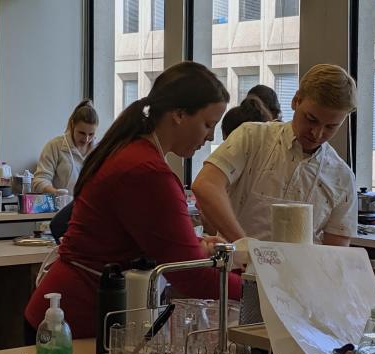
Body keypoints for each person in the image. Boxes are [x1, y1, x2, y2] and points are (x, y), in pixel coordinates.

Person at [25, 61, 241, 338]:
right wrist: (255, 293)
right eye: (207, 124)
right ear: (178, 114)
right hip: (77, 320)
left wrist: (196, 247)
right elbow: (189, 275)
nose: (210, 136)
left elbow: (144, 241)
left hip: (77, 311)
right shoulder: (148, 172)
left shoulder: (131, 150)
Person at [192, 64, 358, 246]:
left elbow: (335, 255)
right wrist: (246, 246)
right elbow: (205, 185)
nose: (317, 133)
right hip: (237, 270)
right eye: (311, 119)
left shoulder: (341, 177)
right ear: (296, 100)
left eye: (330, 127)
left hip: (301, 273)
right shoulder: (252, 137)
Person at [32, 100, 99, 194]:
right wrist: (56, 193)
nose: (86, 139)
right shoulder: (55, 146)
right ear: (72, 125)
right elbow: (39, 180)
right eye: (82, 133)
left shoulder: (100, 150)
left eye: (91, 134)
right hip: (62, 206)